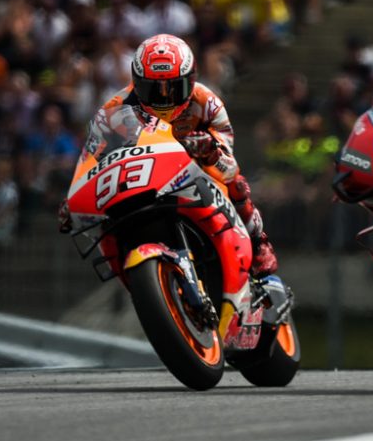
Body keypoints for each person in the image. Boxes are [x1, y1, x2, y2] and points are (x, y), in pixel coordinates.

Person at [59, 34, 278, 275]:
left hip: (196, 166)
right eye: (153, 88)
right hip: (143, 176)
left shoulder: (207, 101)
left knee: (236, 182)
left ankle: (259, 243)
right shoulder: (113, 109)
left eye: (173, 88)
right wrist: (74, 199)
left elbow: (227, 155)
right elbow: (90, 158)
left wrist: (210, 150)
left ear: (191, 80)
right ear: (136, 82)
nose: (164, 97)